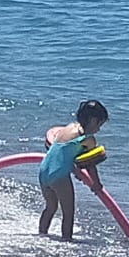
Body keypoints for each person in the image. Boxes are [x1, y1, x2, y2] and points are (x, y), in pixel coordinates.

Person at [38, 100, 109, 242]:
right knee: (68, 213)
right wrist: (96, 184)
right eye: (99, 125)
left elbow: (63, 152)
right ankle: (67, 242)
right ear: (93, 121)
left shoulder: (69, 127)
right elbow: (90, 165)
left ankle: (41, 234)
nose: (99, 129)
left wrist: (74, 168)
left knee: (51, 207)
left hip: (44, 171)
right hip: (59, 177)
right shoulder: (89, 140)